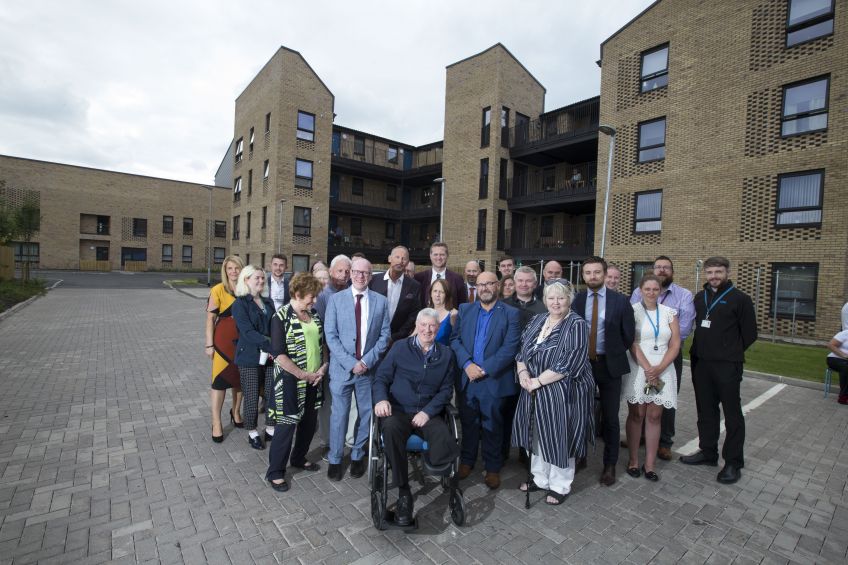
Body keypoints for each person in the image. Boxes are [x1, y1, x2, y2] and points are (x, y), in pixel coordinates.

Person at [373, 309, 460, 526]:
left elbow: (446, 391)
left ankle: (443, 476)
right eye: (423, 325)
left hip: (428, 412)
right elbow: (381, 378)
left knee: (445, 440)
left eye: (432, 326)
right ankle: (404, 492)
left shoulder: (446, 354)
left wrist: (427, 412)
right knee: (390, 429)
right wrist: (381, 399)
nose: (427, 330)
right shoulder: (401, 347)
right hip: (399, 409)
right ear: (417, 326)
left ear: (438, 328)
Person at [513, 280, 595, 504]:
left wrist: (537, 381)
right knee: (537, 434)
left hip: (562, 391)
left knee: (559, 436)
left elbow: (570, 363)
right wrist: (522, 375)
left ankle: (560, 484)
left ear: (569, 299)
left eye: (561, 298)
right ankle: (540, 478)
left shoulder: (576, 324)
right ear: (545, 300)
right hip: (532, 387)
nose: (556, 302)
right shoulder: (538, 319)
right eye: (551, 298)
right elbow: (522, 351)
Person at [681, 256, 757, 485]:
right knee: (706, 410)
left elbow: (750, 333)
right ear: (705, 273)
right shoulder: (699, 298)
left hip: (727, 365)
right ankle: (708, 452)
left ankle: (733, 462)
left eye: (719, 272)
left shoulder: (740, 299)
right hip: (701, 363)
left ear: (727, 272)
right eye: (710, 272)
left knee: (732, 414)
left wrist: (728, 351)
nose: (714, 276)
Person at [451, 271, 520, 489]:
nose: (485, 288)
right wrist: (467, 365)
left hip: (493, 379)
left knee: (493, 424)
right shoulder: (465, 310)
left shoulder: (511, 313)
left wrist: (484, 369)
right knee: (469, 423)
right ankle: (468, 461)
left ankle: (492, 467)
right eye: (481, 285)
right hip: (467, 379)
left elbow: (510, 348)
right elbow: (455, 340)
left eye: (489, 284)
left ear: (497, 286)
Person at [324, 257, 391, 481]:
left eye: (365, 273)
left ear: (371, 276)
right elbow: (330, 336)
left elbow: (384, 336)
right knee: (339, 415)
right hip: (342, 370)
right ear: (351, 273)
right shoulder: (336, 300)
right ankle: (334, 458)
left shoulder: (381, 301)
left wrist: (366, 362)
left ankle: (357, 455)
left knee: (365, 414)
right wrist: (351, 363)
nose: (360, 276)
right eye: (356, 272)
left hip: (367, 371)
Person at [572, 256, 635, 486]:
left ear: (605, 273)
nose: (592, 276)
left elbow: (628, 335)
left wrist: (614, 351)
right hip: (582, 366)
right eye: (588, 273)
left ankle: (610, 464)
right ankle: (581, 456)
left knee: (610, 418)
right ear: (583, 275)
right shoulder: (577, 300)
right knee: (581, 414)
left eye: (597, 272)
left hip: (610, 366)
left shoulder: (620, 301)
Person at [266, 273, 328, 492]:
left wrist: (322, 368)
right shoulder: (280, 317)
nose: (315, 301)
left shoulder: (314, 315)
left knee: (309, 424)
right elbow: (279, 355)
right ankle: (275, 472)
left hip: (314, 381)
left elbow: (322, 346)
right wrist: (303, 374)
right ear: (299, 293)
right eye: (312, 296)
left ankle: (299, 458)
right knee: (286, 428)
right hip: (290, 382)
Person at [629, 256, 695, 460]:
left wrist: (660, 363)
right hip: (641, 365)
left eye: (666, 267)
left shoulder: (680, 298)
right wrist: (648, 366)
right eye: (658, 267)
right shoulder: (635, 301)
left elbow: (682, 330)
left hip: (664, 362)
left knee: (657, 409)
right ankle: (637, 444)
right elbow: (632, 330)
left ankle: (663, 444)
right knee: (639, 409)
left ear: (672, 271)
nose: (662, 270)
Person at [623, 275, 680, 481]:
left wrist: (659, 368)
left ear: (661, 291)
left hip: (661, 369)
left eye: (655, 289)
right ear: (640, 290)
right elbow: (631, 341)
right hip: (640, 369)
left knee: (654, 416)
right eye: (647, 289)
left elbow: (675, 344)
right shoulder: (633, 311)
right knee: (637, 414)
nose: (651, 292)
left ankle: (650, 464)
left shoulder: (669, 313)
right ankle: (633, 461)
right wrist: (648, 369)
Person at [231, 265, 276, 450]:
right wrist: (271, 344)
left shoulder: (269, 302)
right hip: (250, 357)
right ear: (246, 280)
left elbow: (276, 327)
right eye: (256, 278)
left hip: (270, 357)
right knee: (251, 397)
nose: (261, 281)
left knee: (272, 394)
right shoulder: (240, 304)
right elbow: (247, 332)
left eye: (263, 278)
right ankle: (252, 432)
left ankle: (271, 428)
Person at [314, 255, 352, 451]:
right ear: (330, 271)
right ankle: (327, 440)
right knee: (328, 401)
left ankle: (343, 435)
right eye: (339, 271)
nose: (343, 275)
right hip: (329, 357)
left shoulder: (352, 292)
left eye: (347, 271)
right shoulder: (322, 296)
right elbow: (320, 330)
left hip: (350, 358)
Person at [205, 255, 245, 442]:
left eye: (237, 268)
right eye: (230, 268)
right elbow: (210, 320)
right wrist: (209, 345)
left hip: (244, 344)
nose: (233, 272)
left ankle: (236, 412)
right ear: (225, 270)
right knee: (219, 383)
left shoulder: (247, 289)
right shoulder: (217, 290)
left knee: (239, 381)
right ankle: (216, 422)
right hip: (222, 345)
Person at [370, 246, 422, 346]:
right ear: (390, 258)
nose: (400, 261)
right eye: (397, 257)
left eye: (404, 258)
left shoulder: (414, 286)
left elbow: (413, 316)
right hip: (372, 338)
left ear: (407, 262)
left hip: (397, 341)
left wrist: (395, 338)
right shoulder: (373, 280)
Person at [414, 242, 467, 307]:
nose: (439, 258)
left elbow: (462, 305)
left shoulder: (457, 279)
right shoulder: (419, 278)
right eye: (435, 254)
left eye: (442, 254)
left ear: (447, 256)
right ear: (430, 256)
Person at [427, 278, 457, 346]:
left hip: (445, 354)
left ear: (447, 295)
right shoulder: (425, 313)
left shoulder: (453, 314)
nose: (437, 295)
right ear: (431, 294)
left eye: (441, 292)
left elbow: (457, 339)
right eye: (435, 291)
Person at [827, 329, 848, 405]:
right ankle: (843, 397)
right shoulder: (845, 333)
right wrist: (844, 355)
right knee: (846, 368)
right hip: (835, 359)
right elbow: (830, 345)